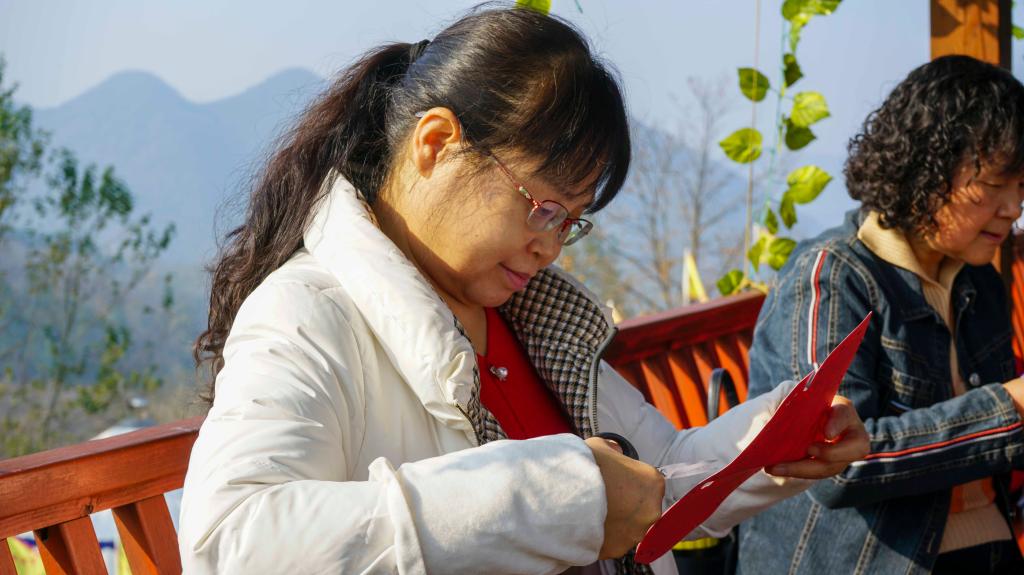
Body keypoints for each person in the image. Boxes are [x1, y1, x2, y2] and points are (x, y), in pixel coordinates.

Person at [178, 7, 868, 574]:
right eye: (541, 207)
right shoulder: (309, 313)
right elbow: (232, 542)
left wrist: (779, 436)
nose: (551, 246)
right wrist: (556, 496)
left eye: (571, 221)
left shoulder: (528, 318)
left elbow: (656, 473)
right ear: (436, 143)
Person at [737, 54, 1024, 575]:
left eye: (1021, 187)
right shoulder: (830, 276)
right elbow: (827, 467)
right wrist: (1007, 409)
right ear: (928, 166)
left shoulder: (980, 281)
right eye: (994, 185)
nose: (1013, 208)